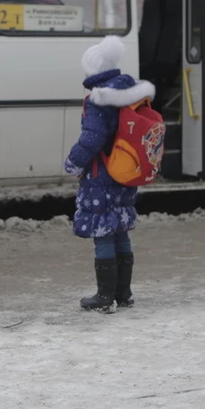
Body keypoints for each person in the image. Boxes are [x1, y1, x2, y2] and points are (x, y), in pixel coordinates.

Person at [64, 35, 156, 313]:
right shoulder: (130, 92)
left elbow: (92, 138)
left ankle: (105, 296)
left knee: (103, 231)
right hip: (125, 169)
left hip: (102, 173)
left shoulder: (99, 99)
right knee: (120, 230)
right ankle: (123, 293)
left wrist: (73, 162)